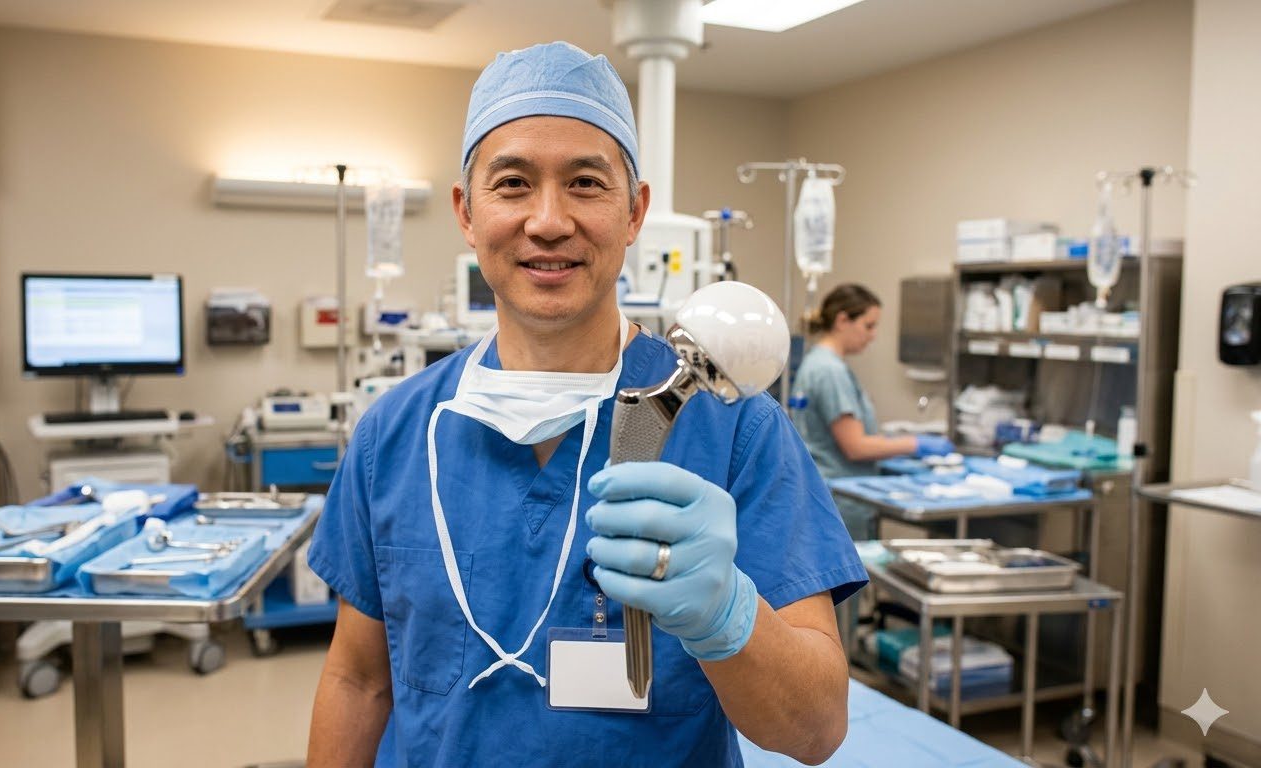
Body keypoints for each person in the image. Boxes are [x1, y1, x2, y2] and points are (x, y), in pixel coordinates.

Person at [305, 41, 866, 768]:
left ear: (634, 213)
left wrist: (727, 614)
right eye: (511, 183)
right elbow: (356, 680)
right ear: (466, 212)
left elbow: (816, 729)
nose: (547, 220)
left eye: (585, 184)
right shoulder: (395, 433)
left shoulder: (732, 425)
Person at [790, 284, 954, 539]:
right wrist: (914, 444)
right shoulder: (829, 372)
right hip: (841, 499)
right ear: (843, 320)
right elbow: (856, 446)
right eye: (869, 325)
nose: (873, 335)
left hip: (826, 493)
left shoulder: (815, 363)